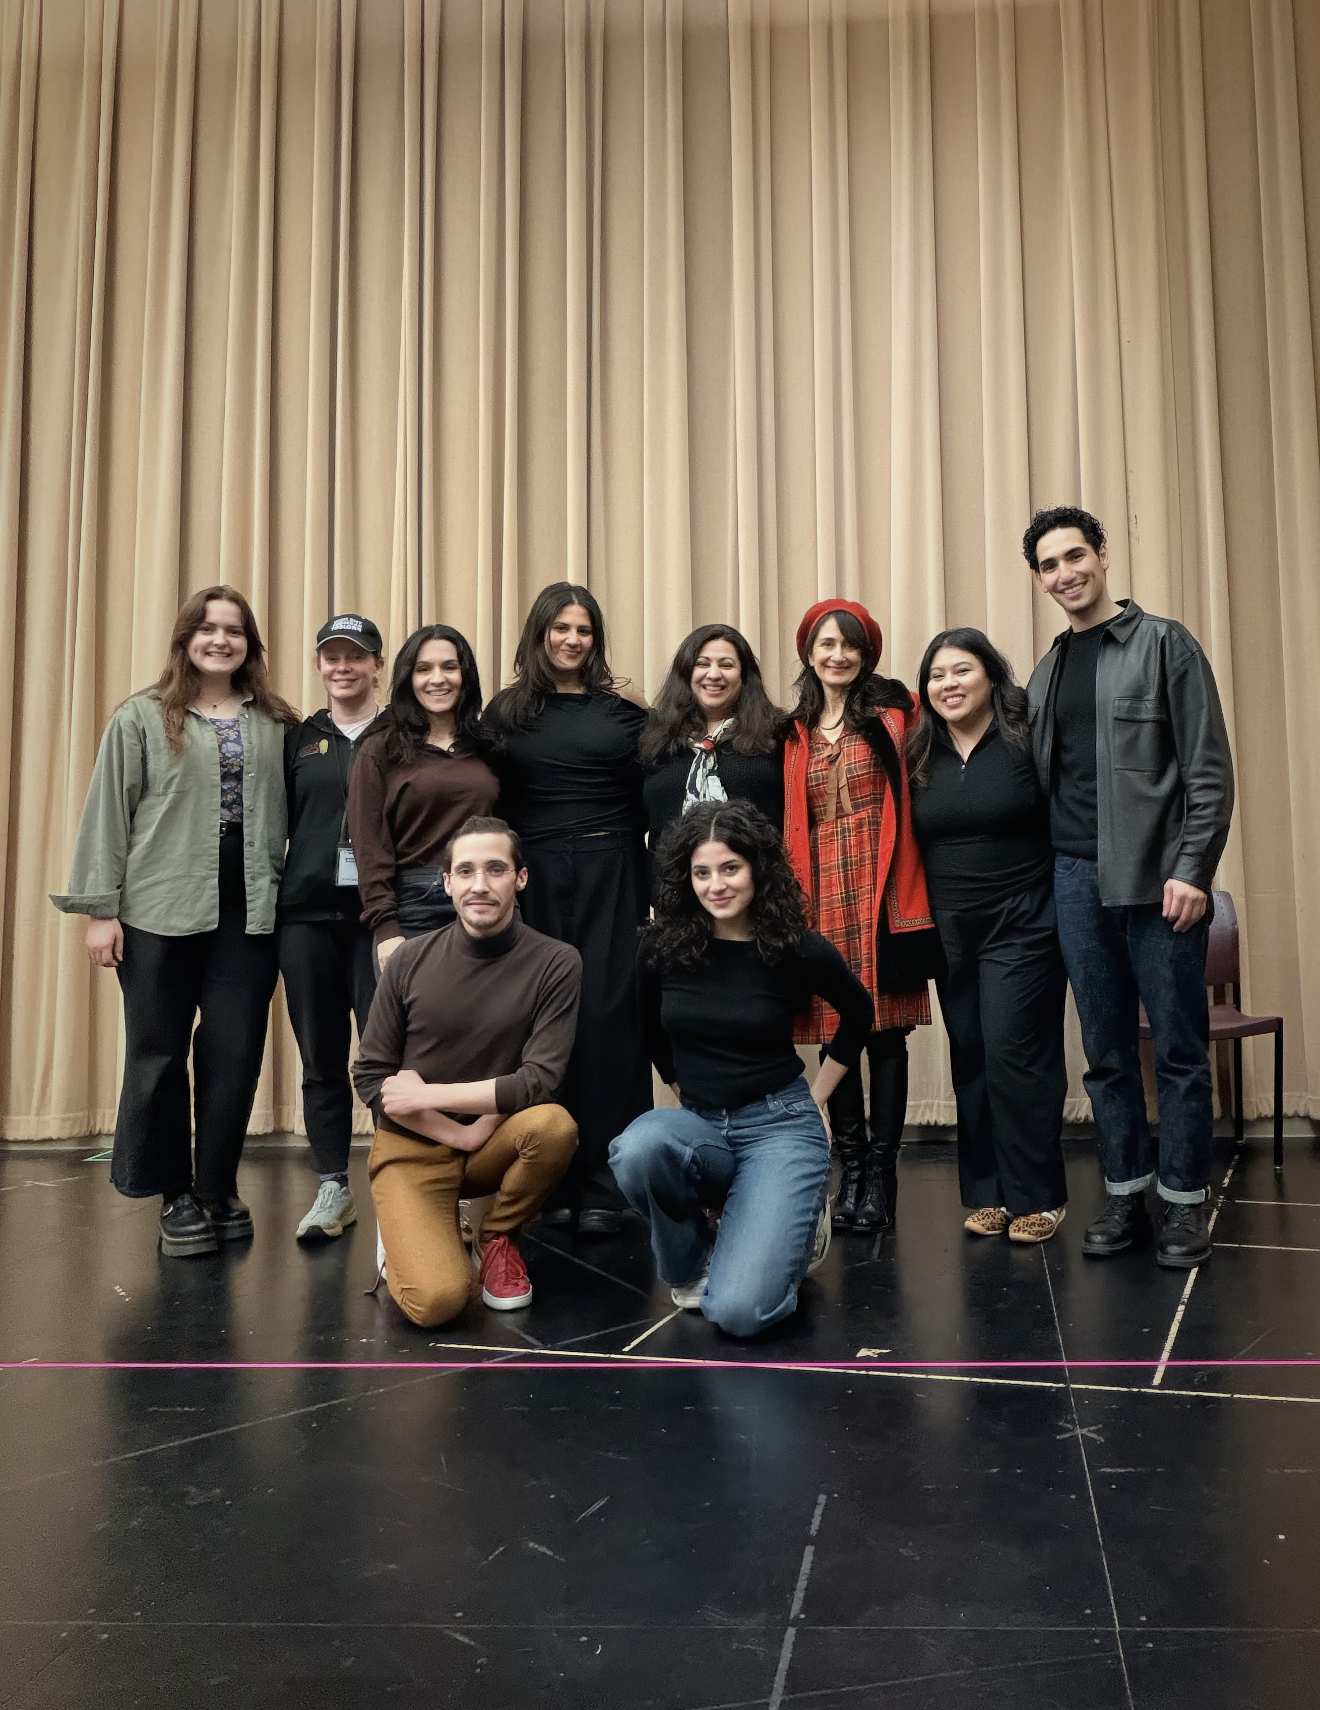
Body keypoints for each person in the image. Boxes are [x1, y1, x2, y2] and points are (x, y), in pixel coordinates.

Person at [51, 586, 297, 1256]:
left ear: (250, 644)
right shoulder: (141, 716)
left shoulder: (276, 721)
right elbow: (108, 812)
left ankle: (217, 1186)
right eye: (207, 628)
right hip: (157, 910)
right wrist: (100, 911)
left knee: (235, 1052)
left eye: (234, 630)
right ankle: (174, 1194)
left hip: (250, 912)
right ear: (185, 638)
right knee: (157, 1053)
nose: (221, 640)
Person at [1023, 506, 1235, 1268]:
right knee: (1106, 1052)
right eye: (1049, 565)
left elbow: (1208, 769)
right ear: (1040, 580)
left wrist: (1193, 870)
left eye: (1075, 556)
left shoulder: (1165, 643)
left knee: (1177, 1048)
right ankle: (1124, 1193)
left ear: (1104, 556)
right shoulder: (1046, 671)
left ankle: (1183, 1201)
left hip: (1157, 881)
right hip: (1074, 880)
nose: (1065, 574)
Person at [610, 800, 872, 1337]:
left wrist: (817, 1098)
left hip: (779, 1125)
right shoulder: (662, 947)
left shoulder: (795, 948)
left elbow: (859, 1013)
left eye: (730, 868)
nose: (716, 885)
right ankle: (692, 1263)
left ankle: (801, 1224)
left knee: (739, 1312)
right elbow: (650, 1028)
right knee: (638, 1148)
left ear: (757, 868)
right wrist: (683, 1089)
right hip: (701, 1125)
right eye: (702, 872)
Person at [352, 818, 581, 1327]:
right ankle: (403, 1238)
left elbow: (539, 1081)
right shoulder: (408, 960)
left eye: (496, 869)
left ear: (520, 878)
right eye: (466, 871)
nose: (480, 884)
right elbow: (371, 1076)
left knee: (554, 1126)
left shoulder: (556, 962)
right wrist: (457, 1132)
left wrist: (428, 1095)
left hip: (491, 1141)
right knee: (438, 1303)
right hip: (412, 1148)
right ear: (447, 882)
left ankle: (497, 1236)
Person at [484, 583, 651, 1235]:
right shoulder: (505, 713)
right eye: (560, 628)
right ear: (540, 634)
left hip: (615, 867)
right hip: (535, 873)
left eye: (583, 630)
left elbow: (657, 789)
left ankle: (610, 1185)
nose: (572, 640)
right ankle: (545, 1180)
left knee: (610, 1019)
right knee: (540, 1022)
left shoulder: (625, 712)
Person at [782, 599, 940, 1235]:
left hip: (882, 886)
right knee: (834, 1028)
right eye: (826, 643)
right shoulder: (791, 731)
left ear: (867, 653)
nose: (838, 655)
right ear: (809, 653)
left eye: (850, 644)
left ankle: (880, 1175)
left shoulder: (898, 715)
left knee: (886, 1032)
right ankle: (848, 1170)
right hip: (817, 891)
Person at [908, 629, 1069, 1242]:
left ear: (992, 676)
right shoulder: (919, 750)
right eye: (937, 675)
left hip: (1023, 921)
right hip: (949, 928)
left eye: (962, 670)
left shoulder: (1026, 736)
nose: (948, 684)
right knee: (971, 1054)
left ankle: (1039, 1196)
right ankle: (988, 1192)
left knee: (1013, 1053)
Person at [278, 614, 387, 1243]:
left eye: (356, 656)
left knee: (387, 1054)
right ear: (320, 665)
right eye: (332, 657)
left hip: (380, 919)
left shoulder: (400, 733)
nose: (343, 667)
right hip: (306, 920)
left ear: (377, 665)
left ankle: (403, 1180)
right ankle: (332, 1188)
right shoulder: (298, 738)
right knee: (320, 1055)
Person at [348, 625, 499, 972]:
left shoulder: (489, 745)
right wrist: (386, 928)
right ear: (408, 678)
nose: (437, 679)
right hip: (413, 907)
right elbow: (369, 848)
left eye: (449, 667)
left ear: (465, 675)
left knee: (497, 1008)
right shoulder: (380, 749)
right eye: (424, 669)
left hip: (489, 898)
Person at [641, 623, 783, 848]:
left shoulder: (777, 734)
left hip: (758, 869)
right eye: (702, 664)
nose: (714, 674)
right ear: (686, 673)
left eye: (726, 665)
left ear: (744, 676)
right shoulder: (655, 739)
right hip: (668, 870)